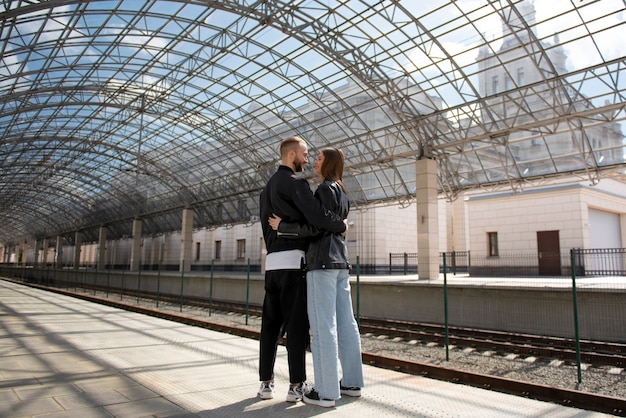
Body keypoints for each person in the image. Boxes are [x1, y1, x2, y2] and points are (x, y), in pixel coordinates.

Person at [269, 147, 364, 408]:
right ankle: (352, 383)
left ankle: (325, 391)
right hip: (341, 263)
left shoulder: (323, 190)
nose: (315, 161)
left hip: (321, 262)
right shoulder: (343, 192)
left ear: (329, 162)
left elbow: (315, 226)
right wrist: (341, 226)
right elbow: (332, 224)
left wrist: (283, 227)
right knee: (347, 323)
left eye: (320, 158)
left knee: (323, 327)